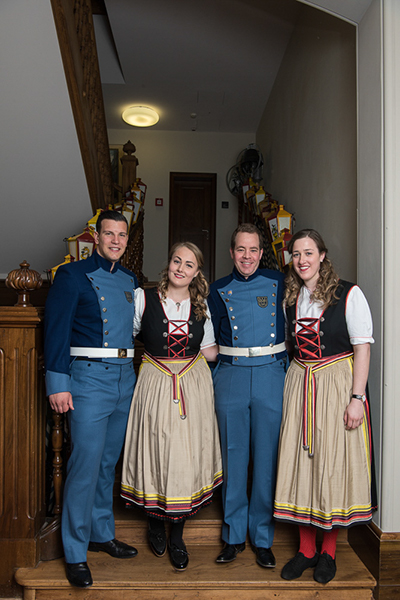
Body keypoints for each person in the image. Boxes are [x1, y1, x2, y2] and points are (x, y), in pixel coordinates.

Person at [273, 229, 374, 584]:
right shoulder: (291, 298)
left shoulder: (348, 293)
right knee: (302, 462)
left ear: (322, 255)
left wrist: (357, 398)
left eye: (308, 253)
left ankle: (328, 552)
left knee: (331, 463)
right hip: (300, 381)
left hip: (335, 383)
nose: (302, 260)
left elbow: (362, 347)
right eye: (296, 254)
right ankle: (306, 550)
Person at [44, 210, 139, 588]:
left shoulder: (130, 280)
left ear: (127, 240)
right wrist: (57, 383)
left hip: (125, 378)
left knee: (106, 463)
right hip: (87, 379)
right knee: (84, 464)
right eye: (109, 234)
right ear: (96, 237)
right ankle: (74, 550)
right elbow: (56, 330)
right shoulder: (71, 275)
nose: (116, 240)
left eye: (122, 235)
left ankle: (101, 533)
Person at [121, 242, 222, 571]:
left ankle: (177, 534)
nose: (181, 268)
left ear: (197, 272)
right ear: (169, 264)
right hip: (155, 379)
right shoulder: (143, 298)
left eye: (189, 264)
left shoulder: (201, 305)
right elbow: (124, 336)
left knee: (184, 454)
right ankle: (154, 522)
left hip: (191, 382)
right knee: (155, 448)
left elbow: (209, 351)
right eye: (177, 261)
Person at [208, 223, 287, 568]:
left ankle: (262, 537)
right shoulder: (217, 289)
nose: (247, 256)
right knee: (233, 457)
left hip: (270, 373)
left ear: (261, 252)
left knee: (266, 459)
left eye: (253, 249)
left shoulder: (280, 282)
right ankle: (233, 535)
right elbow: (207, 336)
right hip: (232, 375)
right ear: (231, 252)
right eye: (241, 249)